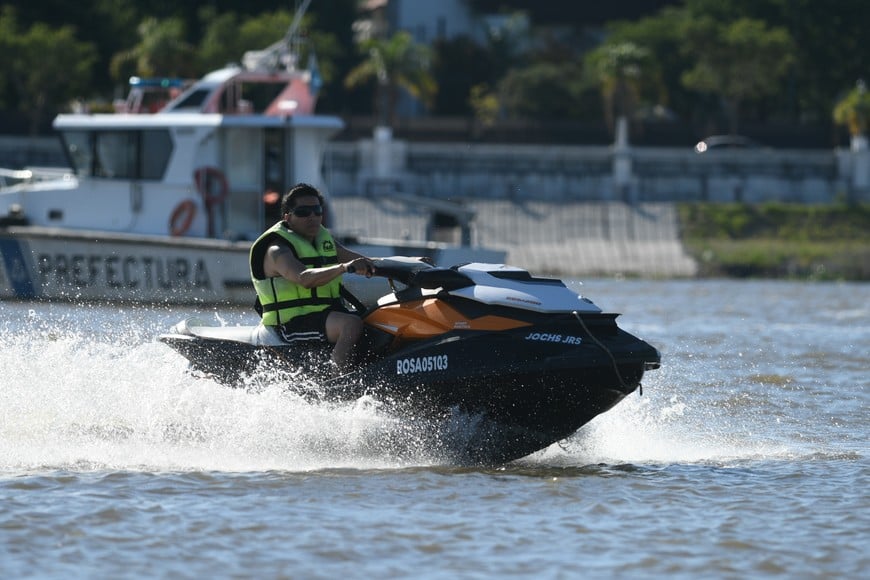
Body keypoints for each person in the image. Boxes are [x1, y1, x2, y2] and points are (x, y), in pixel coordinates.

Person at [249, 183, 376, 370]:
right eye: (303, 212)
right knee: (351, 324)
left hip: (324, 316)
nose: (312, 217)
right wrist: (344, 268)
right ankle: (337, 380)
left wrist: (408, 262)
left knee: (379, 317)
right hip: (290, 324)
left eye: (317, 211)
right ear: (287, 217)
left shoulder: (324, 243)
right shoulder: (277, 250)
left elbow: (366, 262)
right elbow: (304, 278)